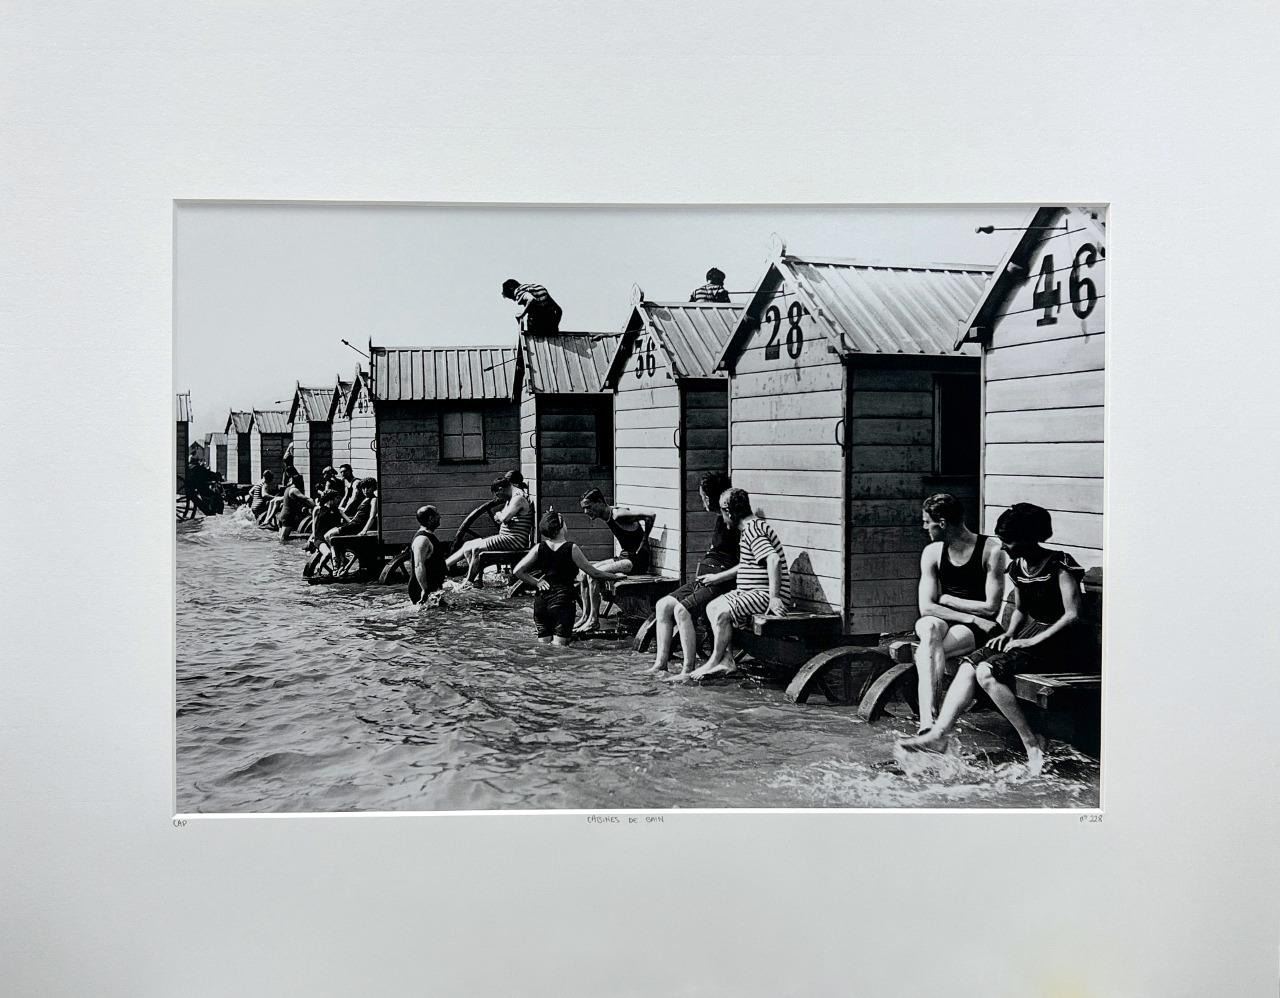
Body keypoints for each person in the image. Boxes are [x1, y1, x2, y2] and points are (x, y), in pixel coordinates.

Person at [899, 503, 1087, 774]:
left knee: (986, 672)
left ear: (1027, 539)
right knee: (969, 665)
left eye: (1008, 541)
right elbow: (1020, 609)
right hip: (1030, 638)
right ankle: (939, 734)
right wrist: (1010, 633)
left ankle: (1032, 742)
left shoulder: (1059, 564)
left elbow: (1072, 615)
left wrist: (1031, 641)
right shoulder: (1019, 567)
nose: (1004, 547)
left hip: (1061, 643)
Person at [911, 493, 1008, 736]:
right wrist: (972, 616)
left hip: (972, 630)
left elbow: (991, 608)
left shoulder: (991, 550)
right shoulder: (933, 552)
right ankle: (929, 720)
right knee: (929, 628)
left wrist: (949, 600)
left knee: (926, 652)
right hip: (960, 620)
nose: (924, 527)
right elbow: (927, 608)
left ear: (942, 523)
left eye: (927, 522)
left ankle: (928, 721)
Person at [676, 488, 789, 682]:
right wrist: (717, 578)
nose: (722, 518)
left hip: (763, 594)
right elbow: (746, 565)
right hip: (750, 592)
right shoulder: (749, 529)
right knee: (713, 606)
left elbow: (773, 559)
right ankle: (726, 660)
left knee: (722, 612)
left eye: (722, 512)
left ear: (728, 511)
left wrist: (774, 597)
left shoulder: (753, 530)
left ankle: (715, 660)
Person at [646, 471, 739, 677]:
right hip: (705, 580)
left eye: (703, 496)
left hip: (719, 583)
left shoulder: (734, 523)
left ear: (711, 497)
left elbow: (743, 564)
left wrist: (717, 576)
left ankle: (687, 669)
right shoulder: (720, 520)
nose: (702, 501)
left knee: (682, 610)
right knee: (663, 605)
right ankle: (660, 664)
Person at [511, 507, 626, 647]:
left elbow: (518, 571)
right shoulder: (571, 548)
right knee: (560, 648)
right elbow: (594, 573)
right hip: (563, 601)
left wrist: (536, 582)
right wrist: (614, 576)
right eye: (564, 522)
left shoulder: (538, 548)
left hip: (542, 602)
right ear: (560, 528)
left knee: (544, 647)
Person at [576, 489, 655, 633]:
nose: (586, 512)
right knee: (584, 571)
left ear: (600, 502)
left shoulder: (618, 515)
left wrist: (644, 540)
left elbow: (650, 515)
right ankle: (585, 616)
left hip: (636, 561)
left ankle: (593, 621)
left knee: (594, 574)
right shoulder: (609, 514)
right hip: (624, 556)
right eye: (584, 508)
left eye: (589, 507)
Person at [444, 476, 534, 587]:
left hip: (514, 540)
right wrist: (502, 516)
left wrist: (500, 515)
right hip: (507, 538)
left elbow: (504, 518)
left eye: (497, 494)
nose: (498, 498)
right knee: (467, 545)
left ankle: (469, 582)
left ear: (501, 489)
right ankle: (445, 567)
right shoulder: (512, 498)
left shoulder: (518, 498)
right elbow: (503, 518)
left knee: (476, 549)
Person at [324, 477, 379, 575]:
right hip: (353, 524)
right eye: (363, 488)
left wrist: (364, 530)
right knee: (329, 537)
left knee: (329, 535)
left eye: (368, 488)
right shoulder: (365, 499)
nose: (365, 490)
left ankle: (339, 560)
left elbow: (372, 517)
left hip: (356, 526)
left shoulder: (374, 499)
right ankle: (341, 557)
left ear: (374, 488)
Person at [408, 505, 448, 605]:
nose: (440, 517)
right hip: (423, 591)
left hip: (433, 588)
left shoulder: (429, 536)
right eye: (437, 514)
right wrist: (424, 590)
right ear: (431, 518)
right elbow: (418, 565)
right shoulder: (422, 540)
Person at [302, 490, 345, 577]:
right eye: (337, 498)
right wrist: (313, 538)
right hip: (320, 538)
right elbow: (314, 525)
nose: (338, 500)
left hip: (332, 539)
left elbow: (350, 522)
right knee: (327, 553)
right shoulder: (318, 509)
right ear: (330, 499)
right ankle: (319, 570)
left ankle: (337, 571)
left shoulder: (339, 511)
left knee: (339, 557)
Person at [277, 473, 315, 541]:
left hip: (282, 515)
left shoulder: (288, 489)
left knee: (281, 538)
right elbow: (305, 499)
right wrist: (314, 503)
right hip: (288, 517)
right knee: (283, 539)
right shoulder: (294, 490)